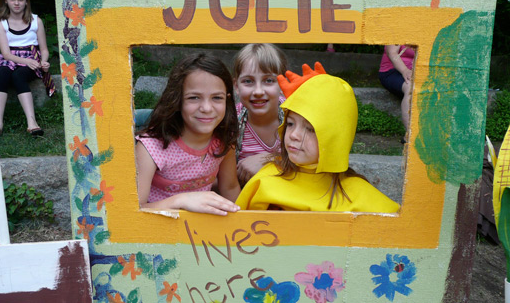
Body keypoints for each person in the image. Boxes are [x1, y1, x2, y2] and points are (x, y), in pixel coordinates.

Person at [236, 62, 400, 212]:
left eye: (310, 129)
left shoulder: (361, 196)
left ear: (336, 137)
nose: (293, 135)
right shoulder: (264, 182)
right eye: (291, 124)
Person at [135, 53, 241, 216]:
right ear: (177, 100)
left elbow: (230, 188)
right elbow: (135, 210)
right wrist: (180, 201)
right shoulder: (151, 147)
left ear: (227, 100)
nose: (206, 108)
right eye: (194, 98)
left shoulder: (223, 140)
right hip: (155, 232)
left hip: (201, 230)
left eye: (217, 98)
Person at [0, 0, 50, 137]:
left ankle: (32, 123)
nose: (16, 3)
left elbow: (44, 49)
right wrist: (26, 62)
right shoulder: (0, 22)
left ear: (26, 1)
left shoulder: (36, 21)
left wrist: (43, 61)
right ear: (5, 0)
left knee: (19, 76)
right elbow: (6, 54)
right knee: (2, 73)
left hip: (31, 58)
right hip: (10, 58)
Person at [233, 44, 288, 186]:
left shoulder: (295, 115)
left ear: (282, 85)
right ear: (237, 87)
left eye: (268, 80)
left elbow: (312, 161)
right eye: (248, 81)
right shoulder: (230, 120)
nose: (258, 91)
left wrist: (270, 159)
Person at [378, 45, 416, 133]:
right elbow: (391, 52)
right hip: (392, 71)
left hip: (417, 71)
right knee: (411, 88)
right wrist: (405, 71)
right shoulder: (397, 31)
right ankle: (410, 135)